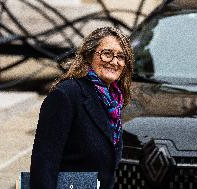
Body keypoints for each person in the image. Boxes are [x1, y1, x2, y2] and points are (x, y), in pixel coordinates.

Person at [30, 27, 134, 189]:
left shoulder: (113, 102)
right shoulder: (66, 95)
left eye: (121, 57)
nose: (114, 61)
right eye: (107, 53)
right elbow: (44, 163)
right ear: (89, 56)